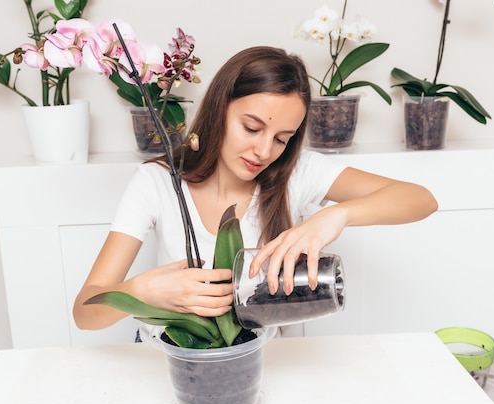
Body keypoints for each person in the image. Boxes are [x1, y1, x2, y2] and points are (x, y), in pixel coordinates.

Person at [73, 46, 438, 332]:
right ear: (219, 109)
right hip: (169, 358)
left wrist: (334, 216)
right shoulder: (157, 181)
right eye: (251, 128)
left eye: (282, 138)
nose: (264, 152)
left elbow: (421, 200)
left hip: (260, 358)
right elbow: (85, 312)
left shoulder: (296, 171)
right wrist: (141, 292)